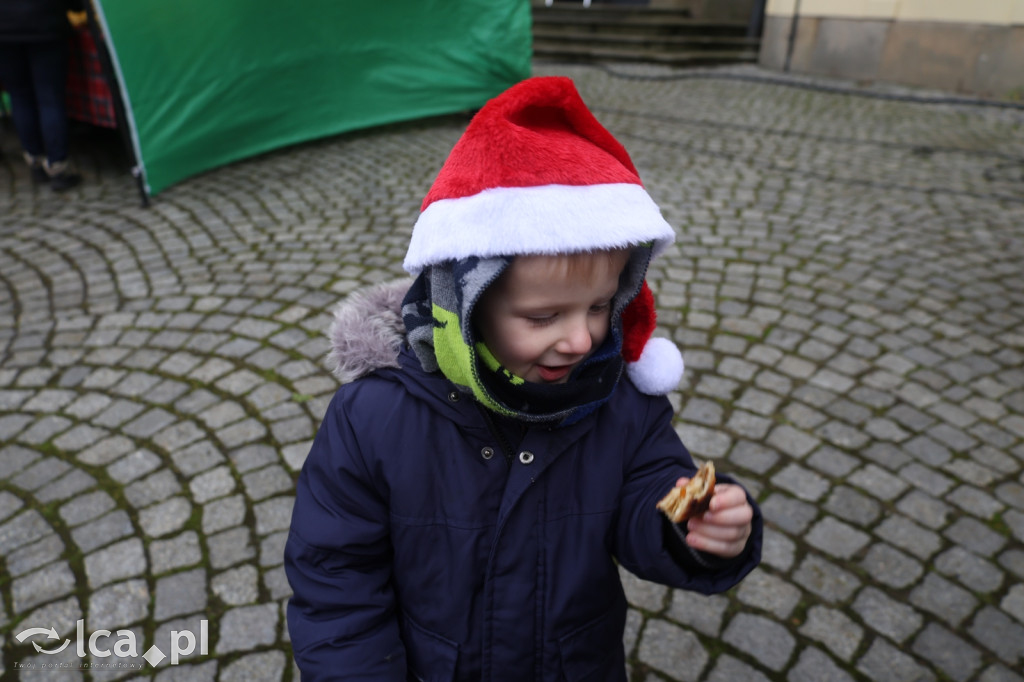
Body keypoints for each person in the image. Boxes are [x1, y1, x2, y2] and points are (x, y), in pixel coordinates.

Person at [285, 76, 762, 681]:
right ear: (466, 307)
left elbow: (650, 491)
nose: (581, 340)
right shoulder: (374, 418)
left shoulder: (620, 403)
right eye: (542, 318)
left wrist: (688, 525)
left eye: (598, 306)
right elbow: (336, 577)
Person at [0, 0, 84, 191]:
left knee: (19, 96)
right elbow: (76, 4)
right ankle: (57, 167)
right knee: (50, 98)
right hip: (45, 25)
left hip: (4, 31)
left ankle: (35, 162)